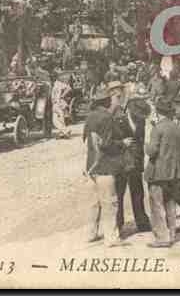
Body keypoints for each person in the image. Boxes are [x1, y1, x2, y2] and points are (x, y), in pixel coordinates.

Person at [144, 98, 180, 248]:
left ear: (157, 112)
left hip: (158, 174)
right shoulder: (177, 128)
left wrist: (146, 145)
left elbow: (152, 151)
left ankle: (162, 238)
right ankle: (172, 234)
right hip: (175, 173)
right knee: (170, 204)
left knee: (157, 206)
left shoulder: (158, 128)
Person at [83, 81, 131, 247]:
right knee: (110, 203)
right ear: (107, 102)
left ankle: (91, 233)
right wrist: (123, 143)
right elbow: (107, 144)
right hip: (105, 166)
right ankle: (111, 238)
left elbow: (87, 140)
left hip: (90, 166)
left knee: (94, 203)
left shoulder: (90, 117)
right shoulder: (107, 118)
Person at [115, 94, 152, 234]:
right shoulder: (118, 120)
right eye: (138, 114)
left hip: (136, 163)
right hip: (122, 164)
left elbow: (140, 142)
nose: (140, 117)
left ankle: (142, 222)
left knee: (138, 193)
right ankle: (118, 225)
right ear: (130, 110)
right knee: (119, 194)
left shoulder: (141, 121)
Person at [50, 71, 73, 139]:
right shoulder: (55, 84)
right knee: (60, 119)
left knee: (55, 120)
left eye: (53, 77)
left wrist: (62, 96)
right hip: (56, 103)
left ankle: (66, 131)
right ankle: (63, 133)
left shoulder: (59, 83)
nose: (52, 78)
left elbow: (69, 88)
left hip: (58, 103)